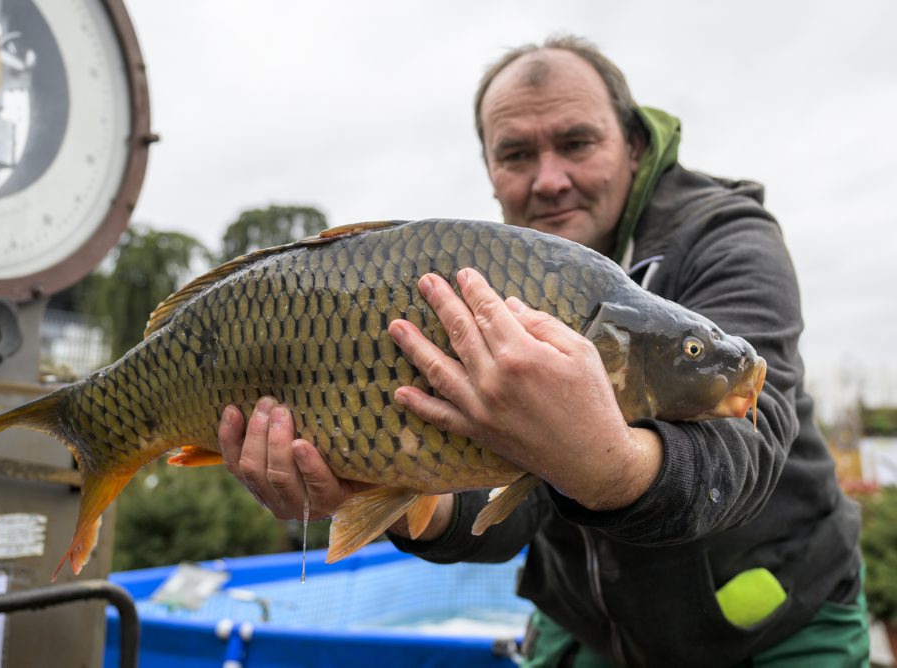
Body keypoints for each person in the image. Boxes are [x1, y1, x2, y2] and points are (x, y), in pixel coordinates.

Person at [219, 35, 866, 667]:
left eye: (577, 143)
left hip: (776, 626)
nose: (549, 180)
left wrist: (603, 464)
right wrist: (381, 488)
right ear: (492, 174)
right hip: (583, 624)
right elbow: (504, 510)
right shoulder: (492, 281)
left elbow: (750, 441)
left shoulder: (727, 237)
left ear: (634, 145)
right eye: (517, 154)